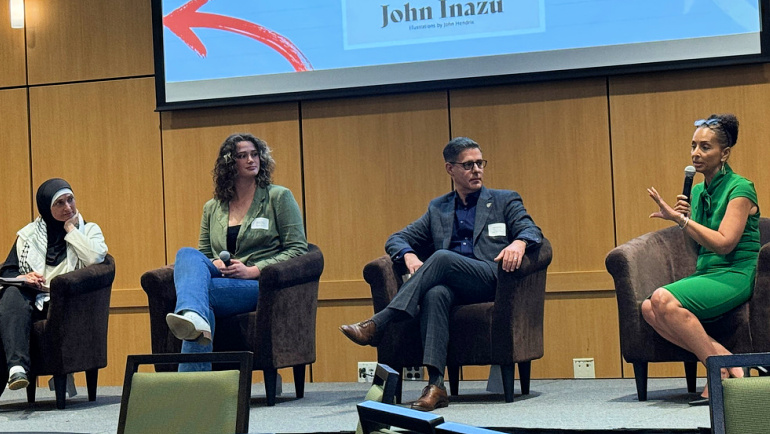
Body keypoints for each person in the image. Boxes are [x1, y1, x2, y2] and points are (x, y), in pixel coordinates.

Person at [340, 137, 543, 411]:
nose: (477, 170)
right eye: (468, 165)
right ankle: (436, 386)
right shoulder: (439, 208)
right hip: (453, 284)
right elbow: (397, 238)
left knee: (442, 257)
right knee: (435, 294)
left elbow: (532, 231)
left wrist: (519, 243)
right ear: (450, 169)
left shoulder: (504, 200)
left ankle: (381, 322)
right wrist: (409, 255)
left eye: (480, 163)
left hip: (490, 279)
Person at [166, 133, 307, 371]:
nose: (251, 160)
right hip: (221, 279)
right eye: (243, 156)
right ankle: (194, 317)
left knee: (202, 296)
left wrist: (254, 270)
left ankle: (189, 386)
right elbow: (202, 254)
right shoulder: (212, 207)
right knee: (186, 253)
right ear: (230, 163)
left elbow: (298, 249)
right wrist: (214, 262)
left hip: (259, 286)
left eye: (255, 154)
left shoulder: (278, 197)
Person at [644, 113, 758, 405]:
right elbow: (695, 251)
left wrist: (682, 221)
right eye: (693, 146)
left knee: (663, 299)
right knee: (648, 308)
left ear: (725, 153)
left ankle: (715, 373)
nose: (696, 153)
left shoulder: (741, 188)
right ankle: (726, 360)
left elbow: (724, 244)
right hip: (707, 272)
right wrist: (686, 220)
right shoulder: (697, 190)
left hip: (735, 272)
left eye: (705, 147)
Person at [0, 178, 108, 391]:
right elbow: (8, 271)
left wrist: (72, 231)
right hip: (31, 299)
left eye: (70, 200)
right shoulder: (29, 235)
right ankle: (17, 369)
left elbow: (95, 258)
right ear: (46, 208)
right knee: (10, 295)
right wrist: (25, 278)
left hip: (66, 303)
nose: (68, 207)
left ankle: (16, 367)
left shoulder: (89, 230)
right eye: (59, 203)